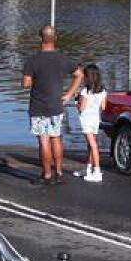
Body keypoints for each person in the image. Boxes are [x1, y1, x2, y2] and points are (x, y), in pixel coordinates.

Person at [21, 26, 84, 186]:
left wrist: (37, 79)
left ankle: (47, 175)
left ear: (40, 38)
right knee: (56, 138)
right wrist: (69, 94)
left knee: (43, 141)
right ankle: (60, 173)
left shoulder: (33, 60)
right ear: (54, 39)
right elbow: (79, 74)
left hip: (39, 106)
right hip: (57, 104)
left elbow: (26, 84)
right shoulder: (62, 58)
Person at [73, 64, 106, 183]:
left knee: (93, 145)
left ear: (88, 77)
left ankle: (97, 172)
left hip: (86, 121)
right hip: (95, 120)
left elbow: (81, 108)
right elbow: (103, 107)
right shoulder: (102, 91)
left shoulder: (85, 91)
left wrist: (76, 100)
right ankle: (88, 169)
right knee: (90, 145)